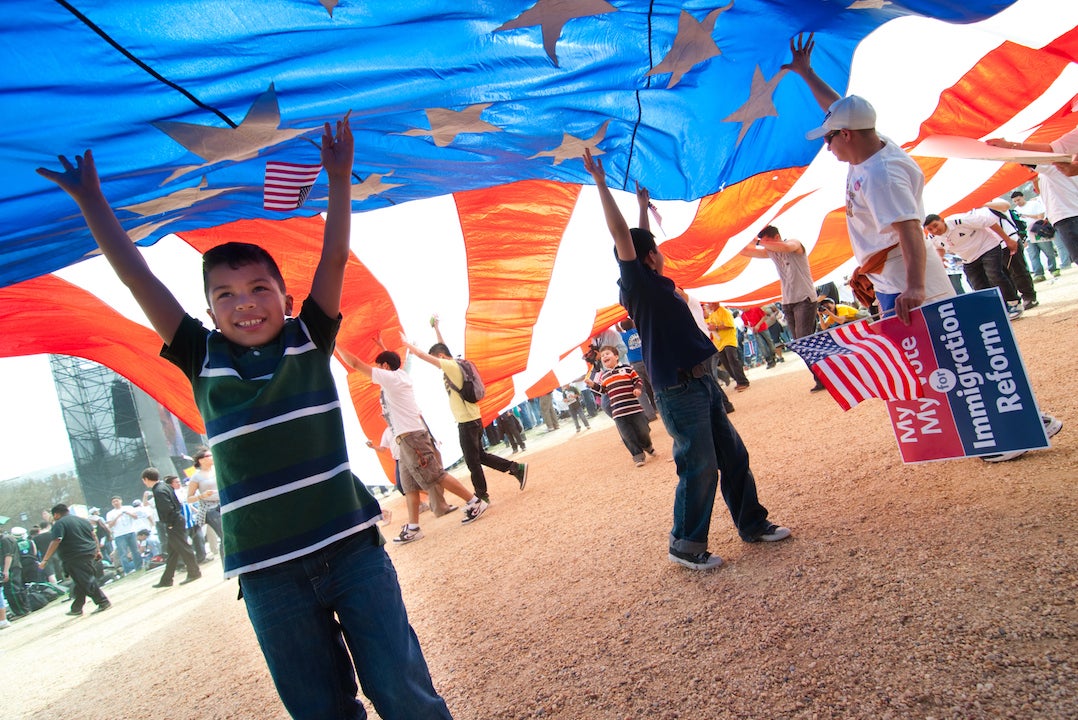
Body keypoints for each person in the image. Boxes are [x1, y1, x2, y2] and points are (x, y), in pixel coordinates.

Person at [38, 117, 452, 719]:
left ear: (285, 299)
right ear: (208, 310)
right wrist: (93, 202)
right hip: (267, 576)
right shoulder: (200, 356)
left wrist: (338, 179)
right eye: (225, 295)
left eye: (259, 288)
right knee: (319, 710)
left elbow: (334, 254)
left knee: (403, 692)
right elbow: (137, 275)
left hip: (352, 551)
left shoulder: (310, 338)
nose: (245, 303)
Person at [786, 33, 1061, 463]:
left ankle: (1024, 425)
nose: (827, 144)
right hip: (893, 273)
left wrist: (913, 288)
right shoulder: (874, 148)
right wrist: (807, 74)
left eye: (830, 137)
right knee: (942, 351)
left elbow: (911, 232)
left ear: (847, 135)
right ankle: (1019, 421)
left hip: (907, 273)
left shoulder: (881, 174)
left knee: (954, 349)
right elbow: (844, 109)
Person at [582, 148, 791, 571]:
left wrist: (642, 208)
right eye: (654, 249)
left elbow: (636, 241)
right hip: (678, 387)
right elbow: (624, 237)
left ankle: (752, 523)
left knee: (733, 456)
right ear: (647, 258)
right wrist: (603, 185)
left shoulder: (653, 281)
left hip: (700, 382)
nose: (659, 252)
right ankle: (685, 544)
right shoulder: (636, 285)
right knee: (699, 466)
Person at [338, 347, 477, 542]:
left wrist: (335, 343)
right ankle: (413, 528)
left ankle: (474, 501)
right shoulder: (399, 375)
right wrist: (381, 345)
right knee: (409, 486)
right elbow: (393, 361)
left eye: (379, 366)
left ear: (385, 366)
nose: (376, 371)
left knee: (435, 474)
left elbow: (354, 364)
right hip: (404, 440)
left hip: (411, 437)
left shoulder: (392, 378)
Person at [402, 335, 529, 520]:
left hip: (467, 422)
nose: (437, 363)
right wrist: (436, 329)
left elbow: (424, 356)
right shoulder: (456, 364)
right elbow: (444, 348)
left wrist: (408, 346)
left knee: (472, 461)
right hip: (472, 418)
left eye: (437, 358)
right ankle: (516, 469)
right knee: (480, 456)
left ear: (441, 357)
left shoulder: (451, 366)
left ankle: (481, 496)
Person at [740, 225, 823, 390]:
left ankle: (825, 376)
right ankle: (821, 376)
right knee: (800, 342)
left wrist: (758, 241)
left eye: (767, 242)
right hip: (788, 302)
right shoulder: (772, 252)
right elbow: (745, 251)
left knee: (804, 339)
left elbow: (786, 247)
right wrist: (746, 237)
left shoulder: (794, 244)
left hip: (805, 299)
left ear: (777, 237)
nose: (765, 245)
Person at [987, 128, 1078, 263]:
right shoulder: (1060, 170)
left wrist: (1009, 148)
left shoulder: (1058, 166)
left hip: (1068, 217)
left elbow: (1033, 159)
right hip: (1068, 215)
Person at [922, 209, 1025, 317]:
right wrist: (940, 258)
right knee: (977, 284)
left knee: (994, 275)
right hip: (968, 258)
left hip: (987, 247)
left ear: (942, 221)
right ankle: (997, 308)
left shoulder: (960, 220)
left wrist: (1007, 240)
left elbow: (990, 222)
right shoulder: (932, 237)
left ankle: (1014, 303)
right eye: (930, 229)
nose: (934, 230)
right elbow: (939, 248)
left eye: (935, 225)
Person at [586, 346, 656, 467]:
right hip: (618, 412)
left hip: (634, 408)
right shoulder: (604, 376)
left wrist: (637, 389)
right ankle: (638, 456)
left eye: (607, 354)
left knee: (643, 430)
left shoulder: (628, 369)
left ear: (617, 356)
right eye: (602, 356)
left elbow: (637, 380)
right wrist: (593, 385)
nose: (604, 357)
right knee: (627, 435)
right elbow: (603, 390)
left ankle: (648, 446)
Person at [37, 504, 111, 616]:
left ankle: (103, 601)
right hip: (89, 552)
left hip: (74, 555)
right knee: (79, 581)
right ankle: (77, 607)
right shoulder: (83, 520)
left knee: (85, 580)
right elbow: (93, 535)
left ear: (56, 514)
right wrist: (98, 550)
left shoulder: (59, 524)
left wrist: (45, 560)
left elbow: (56, 540)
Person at [143, 468, 202, 586]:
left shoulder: (158, 490)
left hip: (173, 522)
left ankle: (194, 572)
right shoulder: (165, 486)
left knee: (184, 548)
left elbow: (167, 508)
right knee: (172, 552)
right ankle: (166, 579)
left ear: (146, 479)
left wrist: (169, 523)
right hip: (177, 519)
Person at [1010, 190, 1058, 281]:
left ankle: (1053, 269)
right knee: (1033, 255)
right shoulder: (1015, 210)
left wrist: (1026, 215)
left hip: (1039, 231)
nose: (1017, 202)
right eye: (1015, 201)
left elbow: (1040, 217)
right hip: (1027, 235)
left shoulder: (1034, 204)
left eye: (1018, 200)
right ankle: (1038, 273)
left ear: (1023, 197)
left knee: (1049, 252)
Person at [704, 302, 750, 392]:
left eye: (710, 303)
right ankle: (738, 380)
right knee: (726, 364)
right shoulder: (712, 314)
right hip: (719, 343)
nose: (709, 305)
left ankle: (743, 381)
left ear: (715, 303)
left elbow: (729, 325)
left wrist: (715, 327)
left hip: (729, 340)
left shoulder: (724, 311)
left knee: (733, 361)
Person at [186, 448, 222, 557]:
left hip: (223, 504)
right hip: (210, 509)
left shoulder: (218, 469)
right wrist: (202, 495)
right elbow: (189, 498)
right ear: (201, 460)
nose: (211, 457)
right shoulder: (196, 476)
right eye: (208, 456)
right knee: (224, 535)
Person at [105, 495, 143, 574]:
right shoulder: (110, 513)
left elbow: (136, 517)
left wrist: (128, 513)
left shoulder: (128, 508)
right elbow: (110, 525)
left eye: (117, 501)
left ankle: (139, 567)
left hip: (131, 531)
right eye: (113, 502)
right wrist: (117, 517)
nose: (116, 503)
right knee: (123, 553)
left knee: (135, 550)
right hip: (119, 535)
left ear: (121, 501)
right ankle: (127, 570)